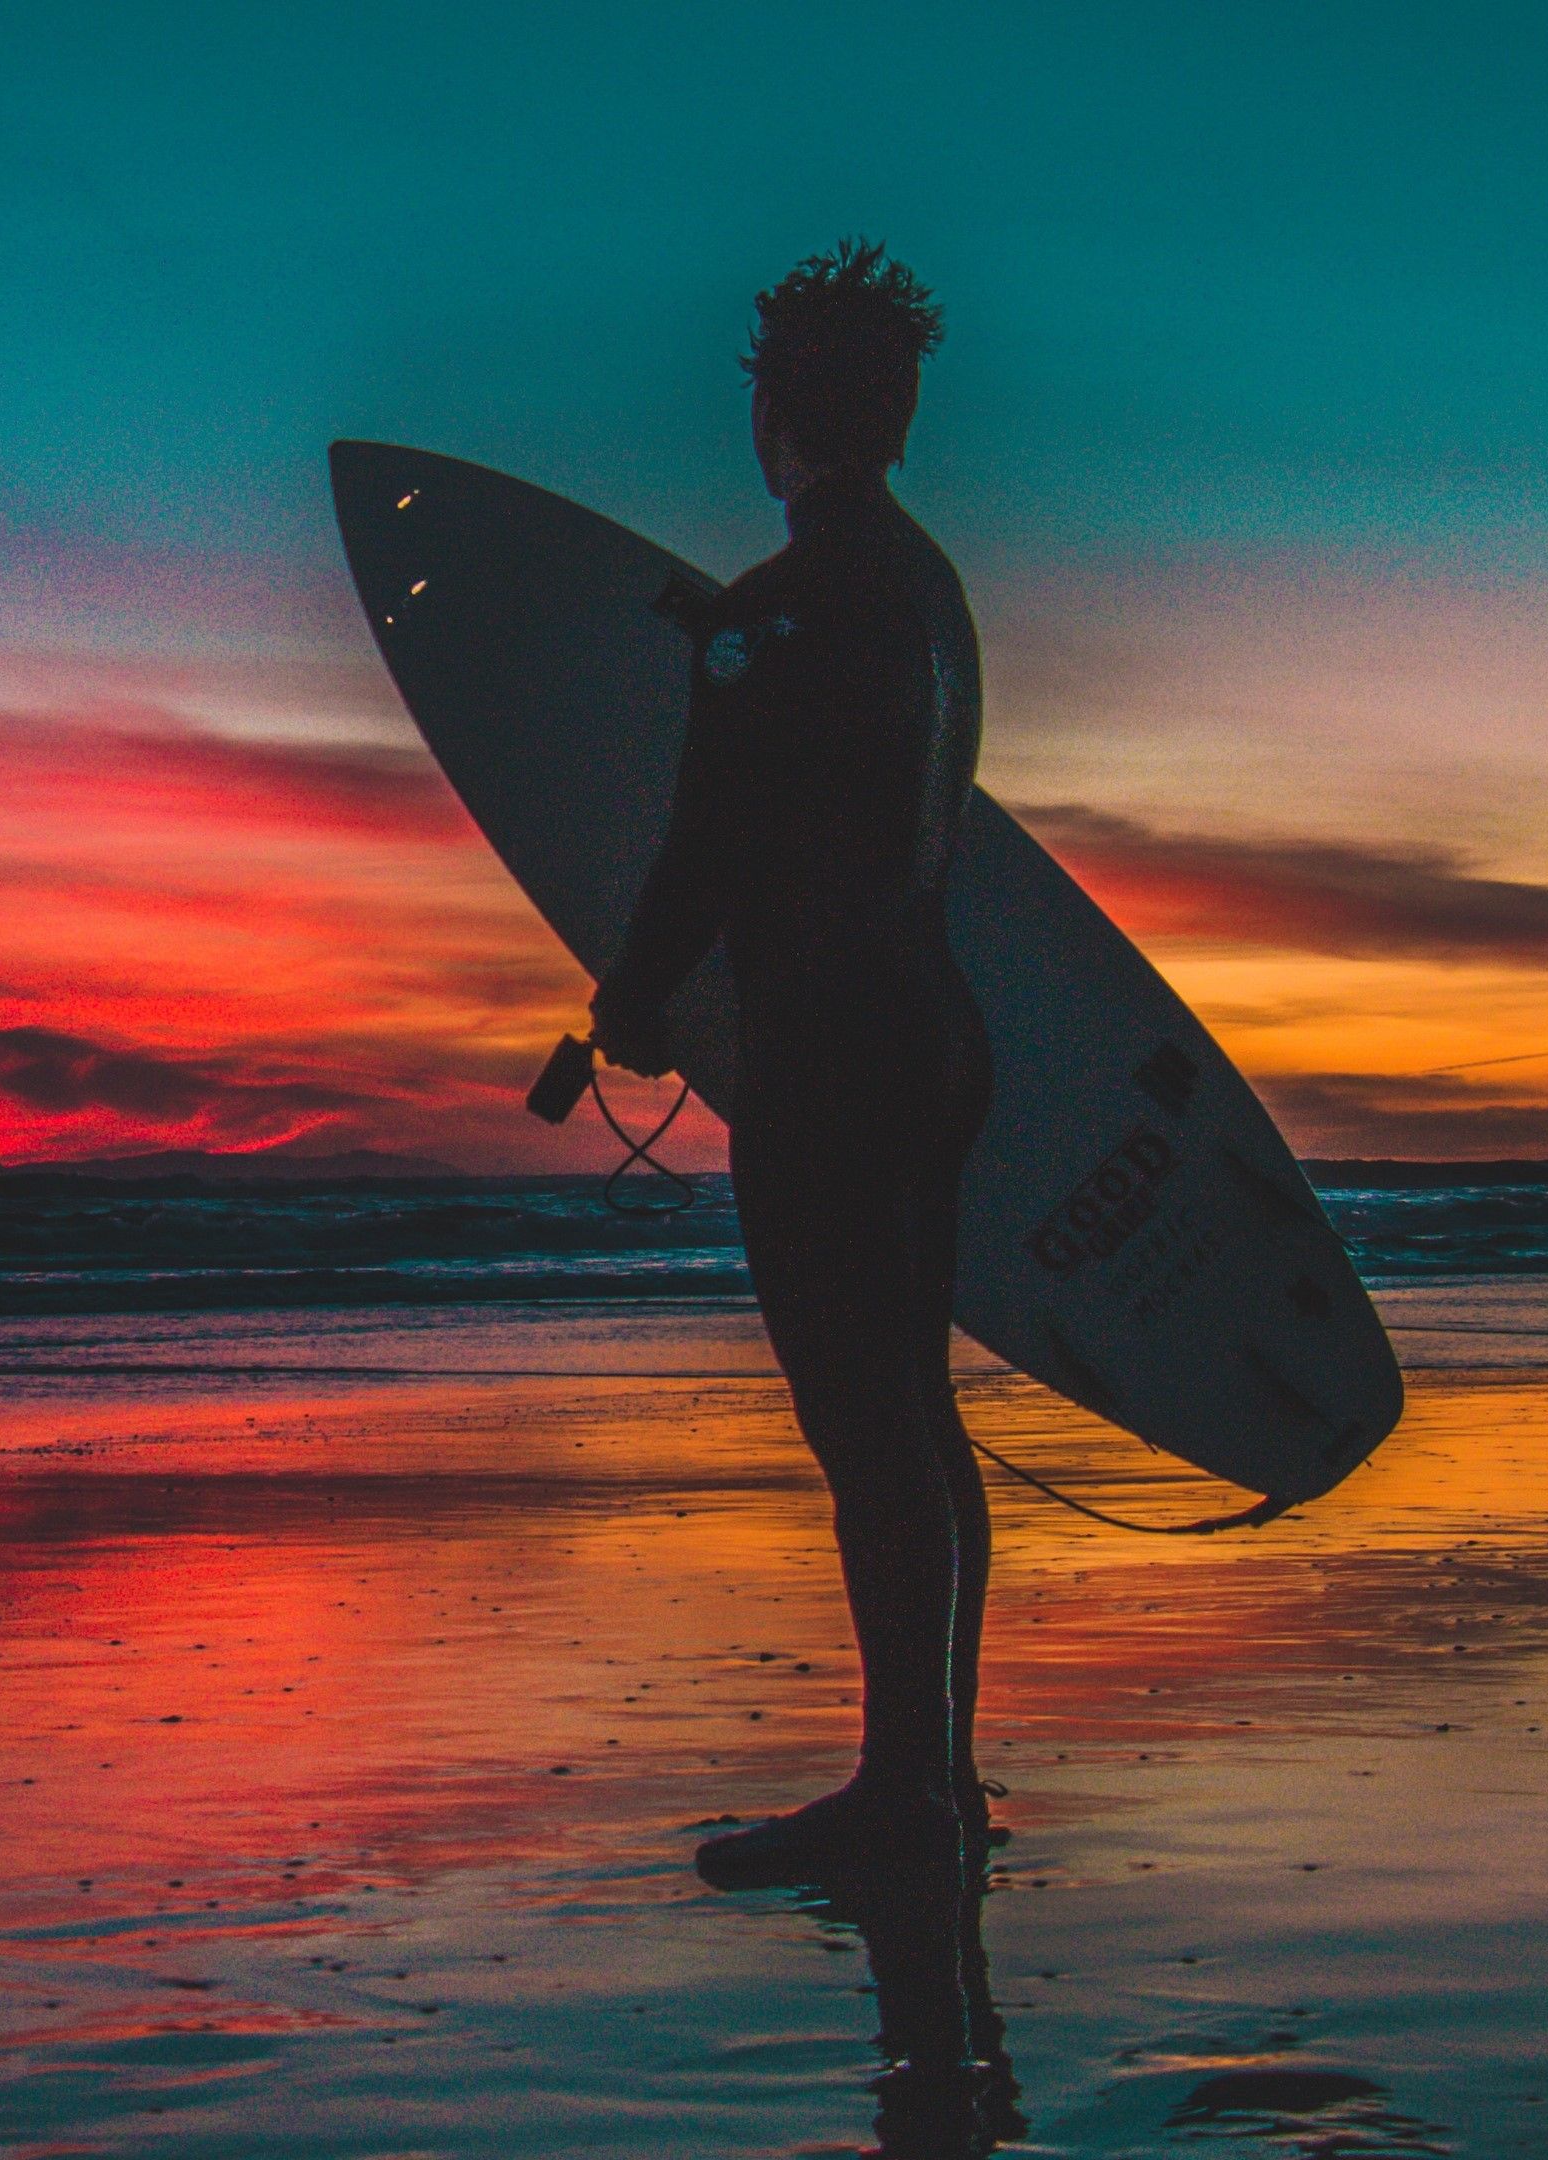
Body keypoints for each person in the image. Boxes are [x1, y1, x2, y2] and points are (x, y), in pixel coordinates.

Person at [586, 241, 997, 1900]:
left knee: (865, 1432)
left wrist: (632, 998)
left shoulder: (774, 612)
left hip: (827, 1055)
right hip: (928, 1028)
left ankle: (901, 1795)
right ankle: (935, 1777)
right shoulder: (930, 596)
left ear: (783, 415)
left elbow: (713, 839)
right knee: (919, 1420)